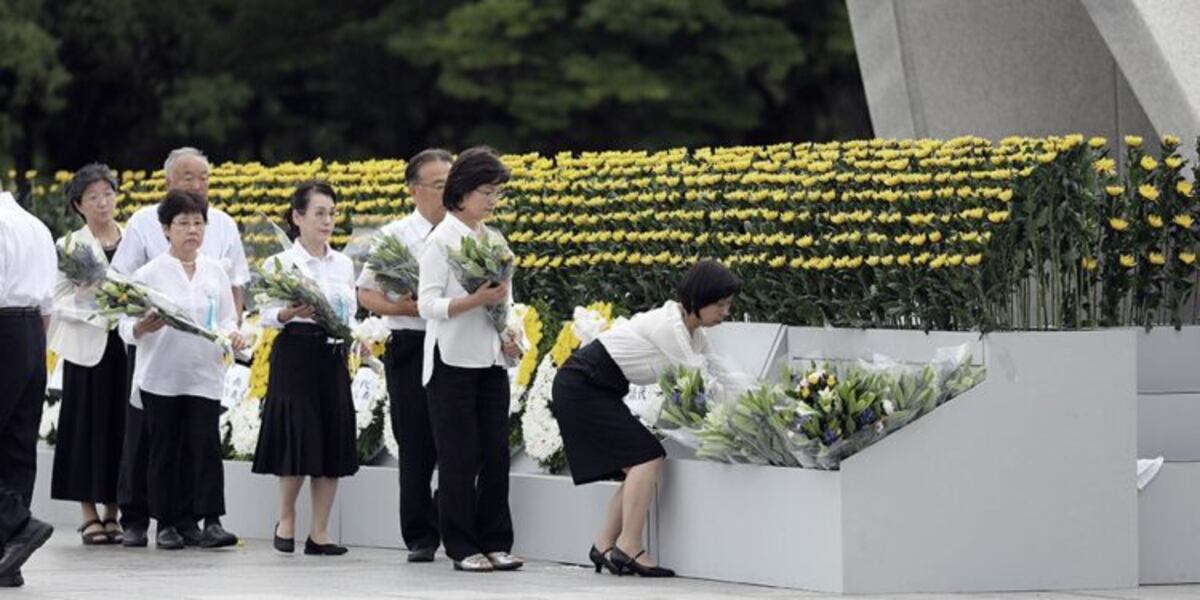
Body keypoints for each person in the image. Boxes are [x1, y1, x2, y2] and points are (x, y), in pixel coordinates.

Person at [551, 259, 743, 578]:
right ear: (699, 298)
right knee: (647, 456)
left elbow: (720, 372)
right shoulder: (669, 327)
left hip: (600, 388)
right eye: (720, 304)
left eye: (728, 304)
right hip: (582, 385)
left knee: (639, 465)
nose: (726, 312)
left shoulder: (693, 332)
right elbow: (701, 380)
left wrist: (753, 406)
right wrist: (736, 415)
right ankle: (628, 545)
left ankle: (604, 544)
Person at [110, 146, 248, 548]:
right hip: (162, 376)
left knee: (204, 448)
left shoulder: (214, 272)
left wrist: (233, 334)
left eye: (198, 223)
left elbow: (226, 317)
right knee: (164, 450)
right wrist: (140, 327)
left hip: (203, 373)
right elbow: (123, 323)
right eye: (183, 223)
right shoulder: (149, 273)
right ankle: (166, 522)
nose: (192, 230)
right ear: (166, 230)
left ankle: (209, 520)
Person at [417, 146, 522, 572]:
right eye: (486, 192)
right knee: (459, 458)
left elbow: (508, 302)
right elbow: (426, 305)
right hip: (452, 363)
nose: (493, 200)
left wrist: (513, 337)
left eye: (497, 192)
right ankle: (461, 546)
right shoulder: (440, 241)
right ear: (461, 192)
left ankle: (496, 540)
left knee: (496, 454)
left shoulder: (494, 240)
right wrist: (473, 301)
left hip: (491, 361)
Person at [252, 181, 358, 556]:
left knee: (331, 436)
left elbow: (351, 311)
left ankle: (320, 532)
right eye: (319, 213)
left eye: (332, 213)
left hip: (332, 354)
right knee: (297, 434)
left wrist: (353, 334)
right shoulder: (280, 263)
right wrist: (287, 312)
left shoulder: (344, 264)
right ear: (297, 217)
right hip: (295, 351)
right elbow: (264, 313)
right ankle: (286, 518)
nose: (327, 221)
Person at [357, 148, 451, 562]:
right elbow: (366, 293)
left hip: (454, 343)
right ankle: (420, 535)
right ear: (414, 190)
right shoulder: (394, 236)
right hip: (411, 342)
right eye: (439, 185)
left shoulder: (465, 231)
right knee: (415, 442)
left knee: (457, 441)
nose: (448, 191)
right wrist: (403, 308)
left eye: (452, 183)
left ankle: (451, 520)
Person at [48, 164, 129, 545]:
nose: (102, 203)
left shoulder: (132, 239)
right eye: (93, 197)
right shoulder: (68, 246)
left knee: (121, 426)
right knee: (85, 428)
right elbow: (55, 300)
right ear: (79, 205)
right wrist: (84, 298)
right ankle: (88, 514)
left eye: (108, 194)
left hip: (127, 345)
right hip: (86, 349)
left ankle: (114, 512)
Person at [0, 184, 58, 587]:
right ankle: (9, 558)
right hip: (32, 331)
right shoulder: (35, 225)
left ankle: (17, 524)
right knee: (17, 448)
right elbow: (48, 304)